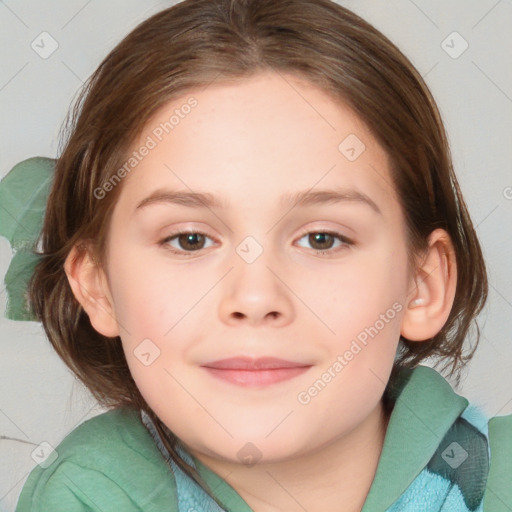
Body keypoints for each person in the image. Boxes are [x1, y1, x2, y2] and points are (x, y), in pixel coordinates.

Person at [2, 0, 509, 510]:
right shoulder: (88, 495)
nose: (255, 297)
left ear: (422, 284)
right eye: (190, 240)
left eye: (322, 239)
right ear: (98, 286)